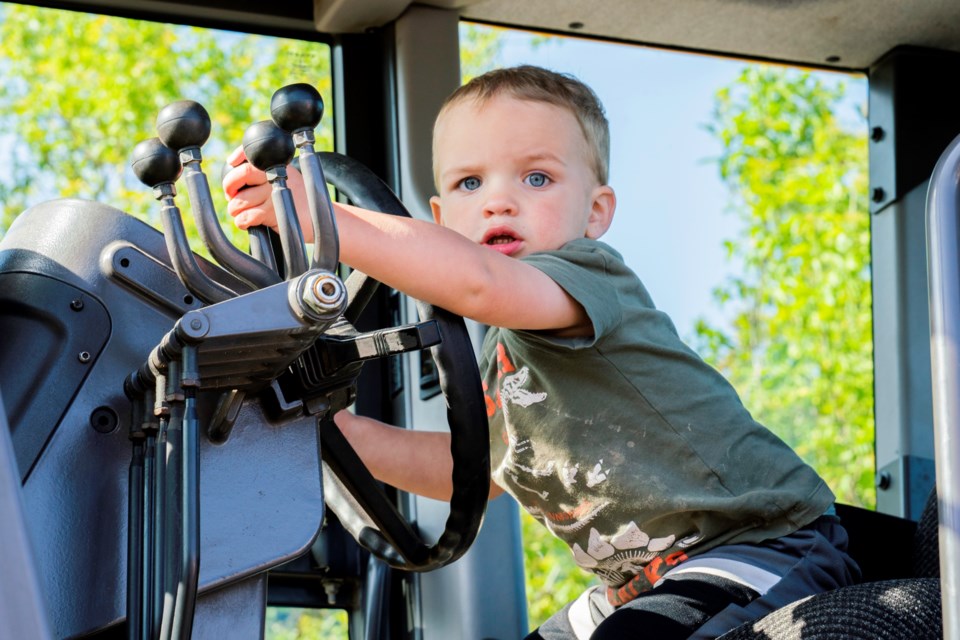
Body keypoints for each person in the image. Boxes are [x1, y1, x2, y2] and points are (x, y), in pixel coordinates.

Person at [223, 65, 860, 639]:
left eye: (537, 177)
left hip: (759, 543)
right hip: (638, 584)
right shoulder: (500, 349)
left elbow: (477, 282)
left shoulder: (584, 277)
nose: (499, 200)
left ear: (595, 212)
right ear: (442, 216)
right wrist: (334, 432)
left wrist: (320, 218)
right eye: (470, 182)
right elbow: (468, 471)